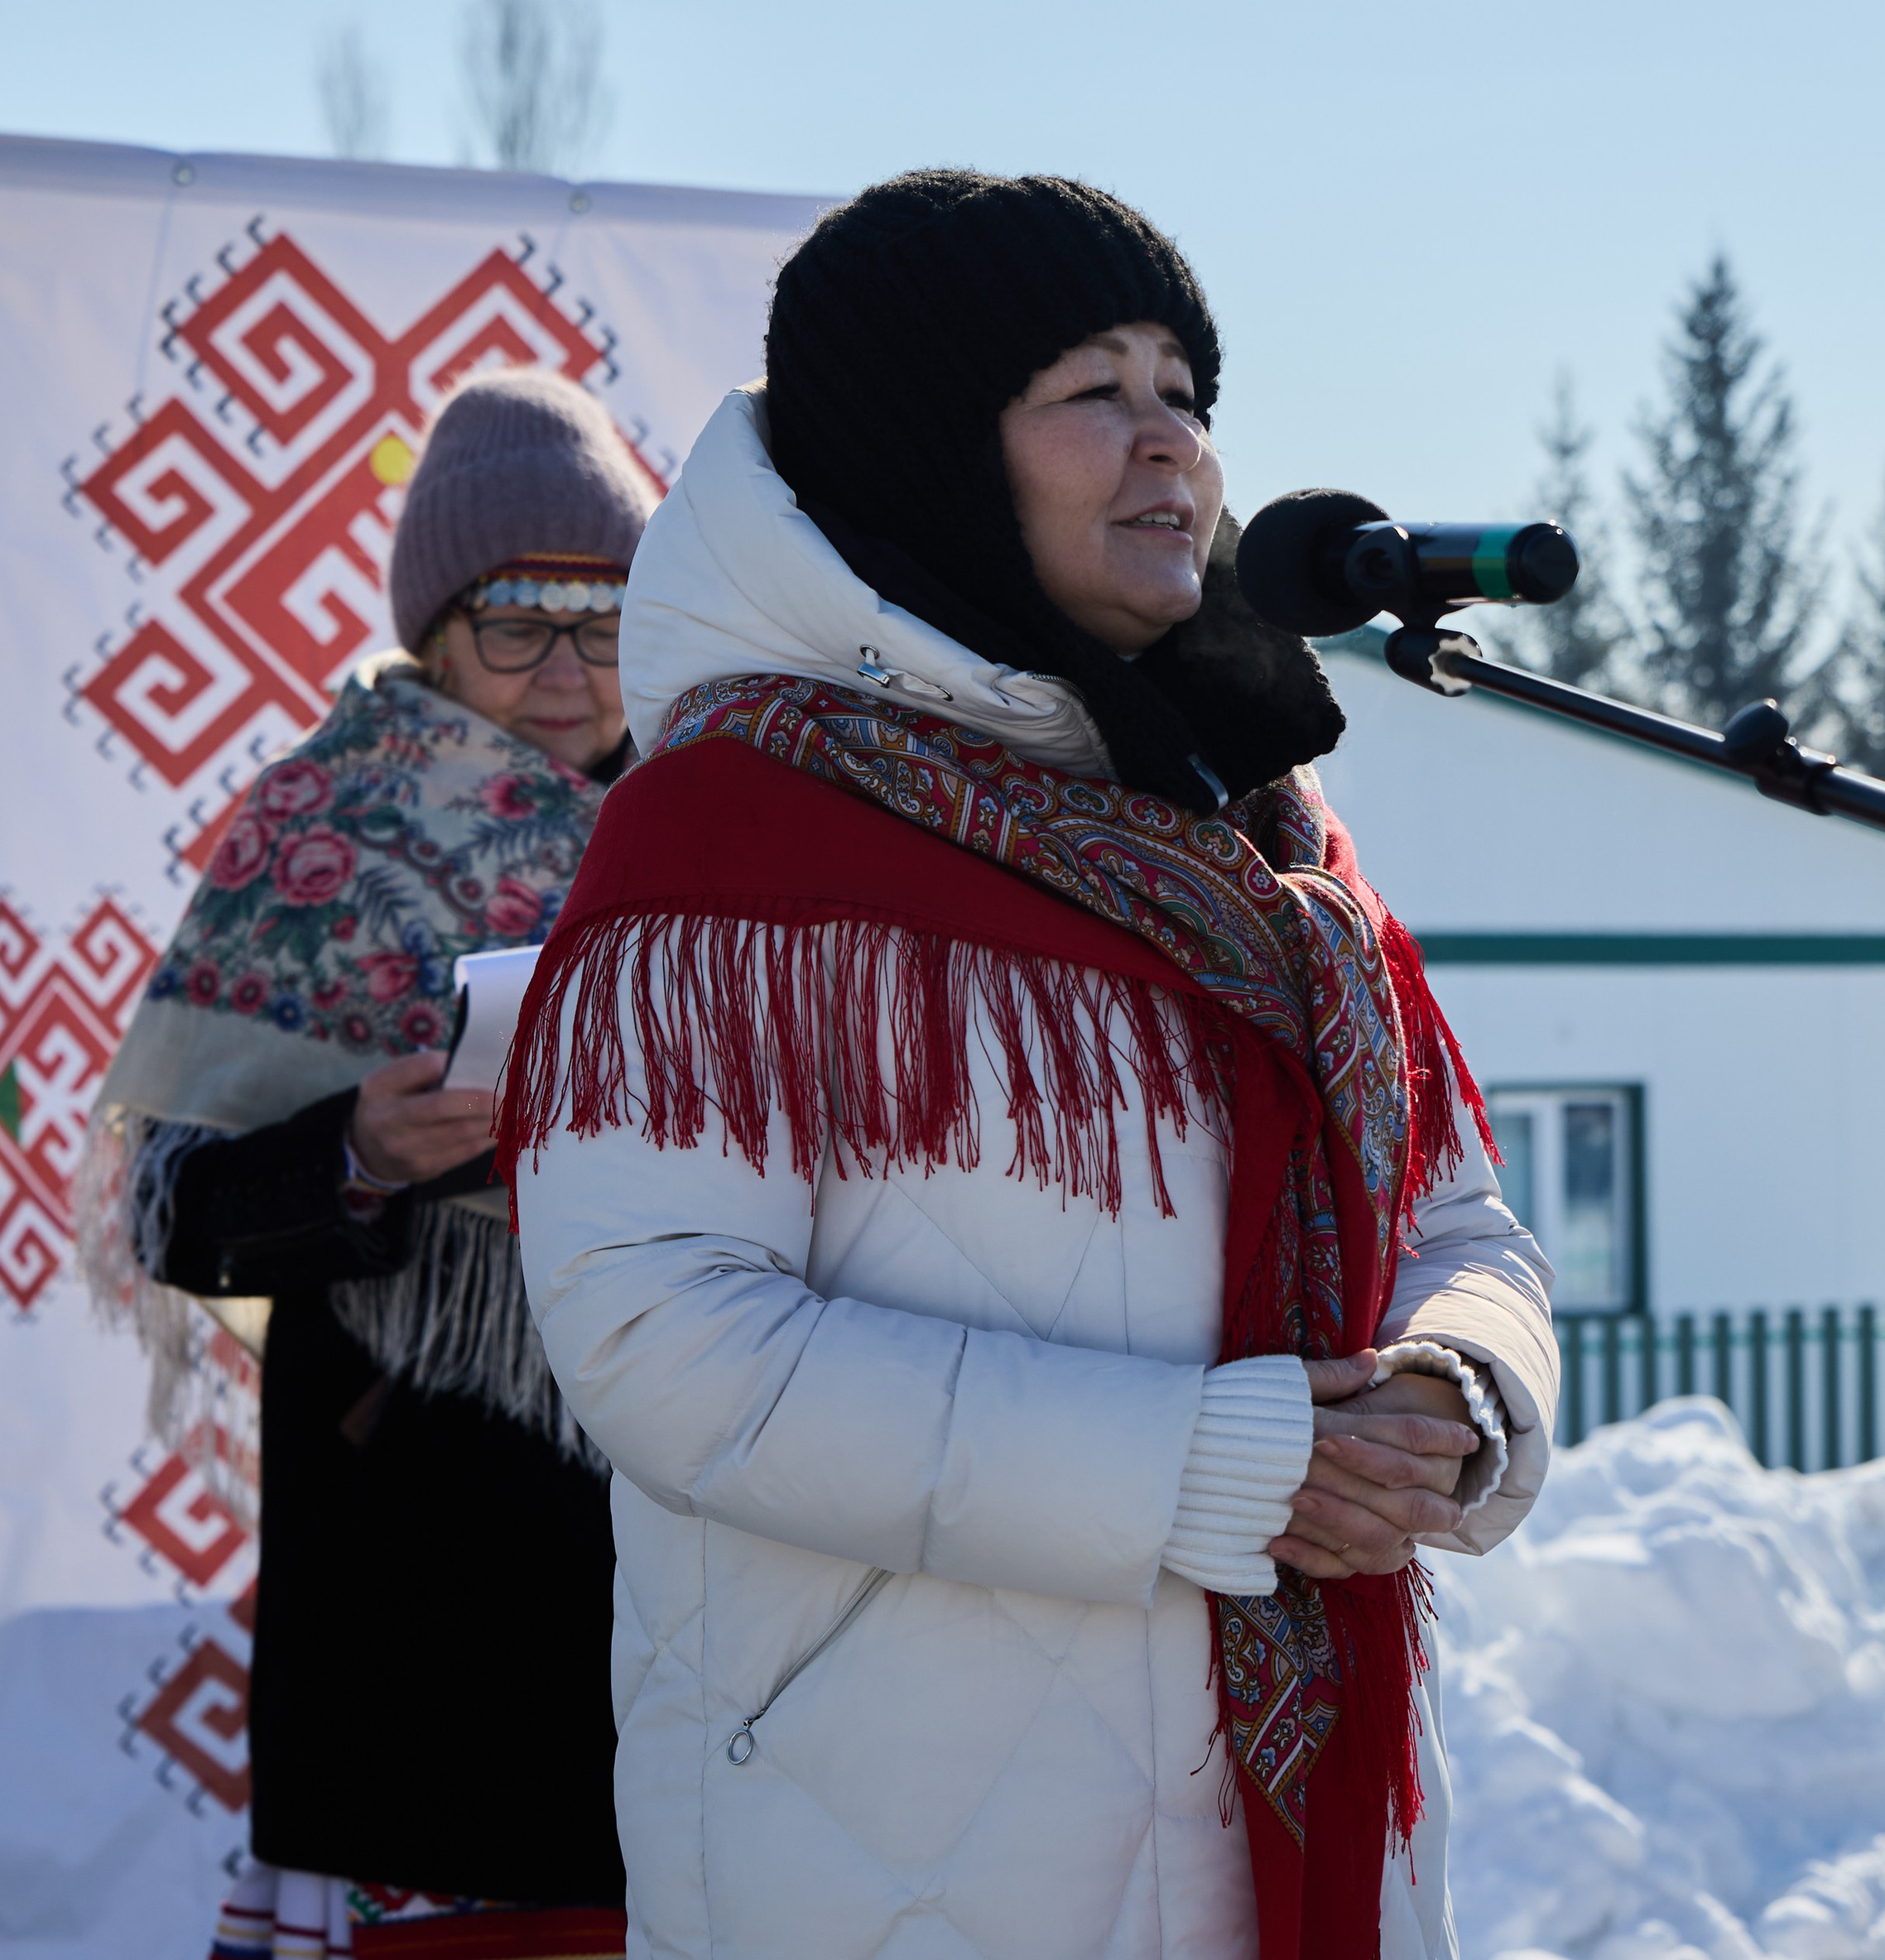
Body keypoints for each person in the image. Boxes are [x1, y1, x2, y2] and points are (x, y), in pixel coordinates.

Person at [502, 172, 1560, 1960]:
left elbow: (1454, 1215)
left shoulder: (1276, 846)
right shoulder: (732, 838)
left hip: (1297, 1831)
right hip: (887, 1845)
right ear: (926, 445)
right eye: (1095, 391)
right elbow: (665, 1340)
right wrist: (1221, 1468)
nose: (1174, 446)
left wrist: (1458, 1392)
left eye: (1188, 392)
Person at [79, 367, 652, 1960]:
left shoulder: (703, 839)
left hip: (681, 1522)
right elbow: (169, 1210)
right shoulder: (316, 832)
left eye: (603, 618)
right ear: (435, 627)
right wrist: (355, 1153)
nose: (565, 668)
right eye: (516, 621)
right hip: (418, 1552)